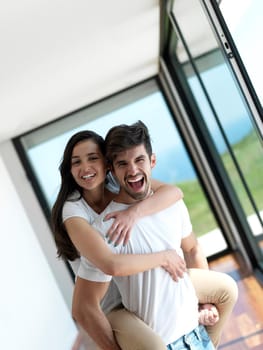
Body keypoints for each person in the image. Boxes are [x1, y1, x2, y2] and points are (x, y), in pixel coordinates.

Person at [51, 128, 237, 349]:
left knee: (226, 289)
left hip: (148, 288)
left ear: (106, 165)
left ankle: (202, 341)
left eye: (93, 158)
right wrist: (164, 257)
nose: (85, 167)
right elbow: (109, 267)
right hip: (112, 306)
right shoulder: (75, 212)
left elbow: (174, 192)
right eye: (76, 162)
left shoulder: (122, 187)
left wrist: (134, 213)